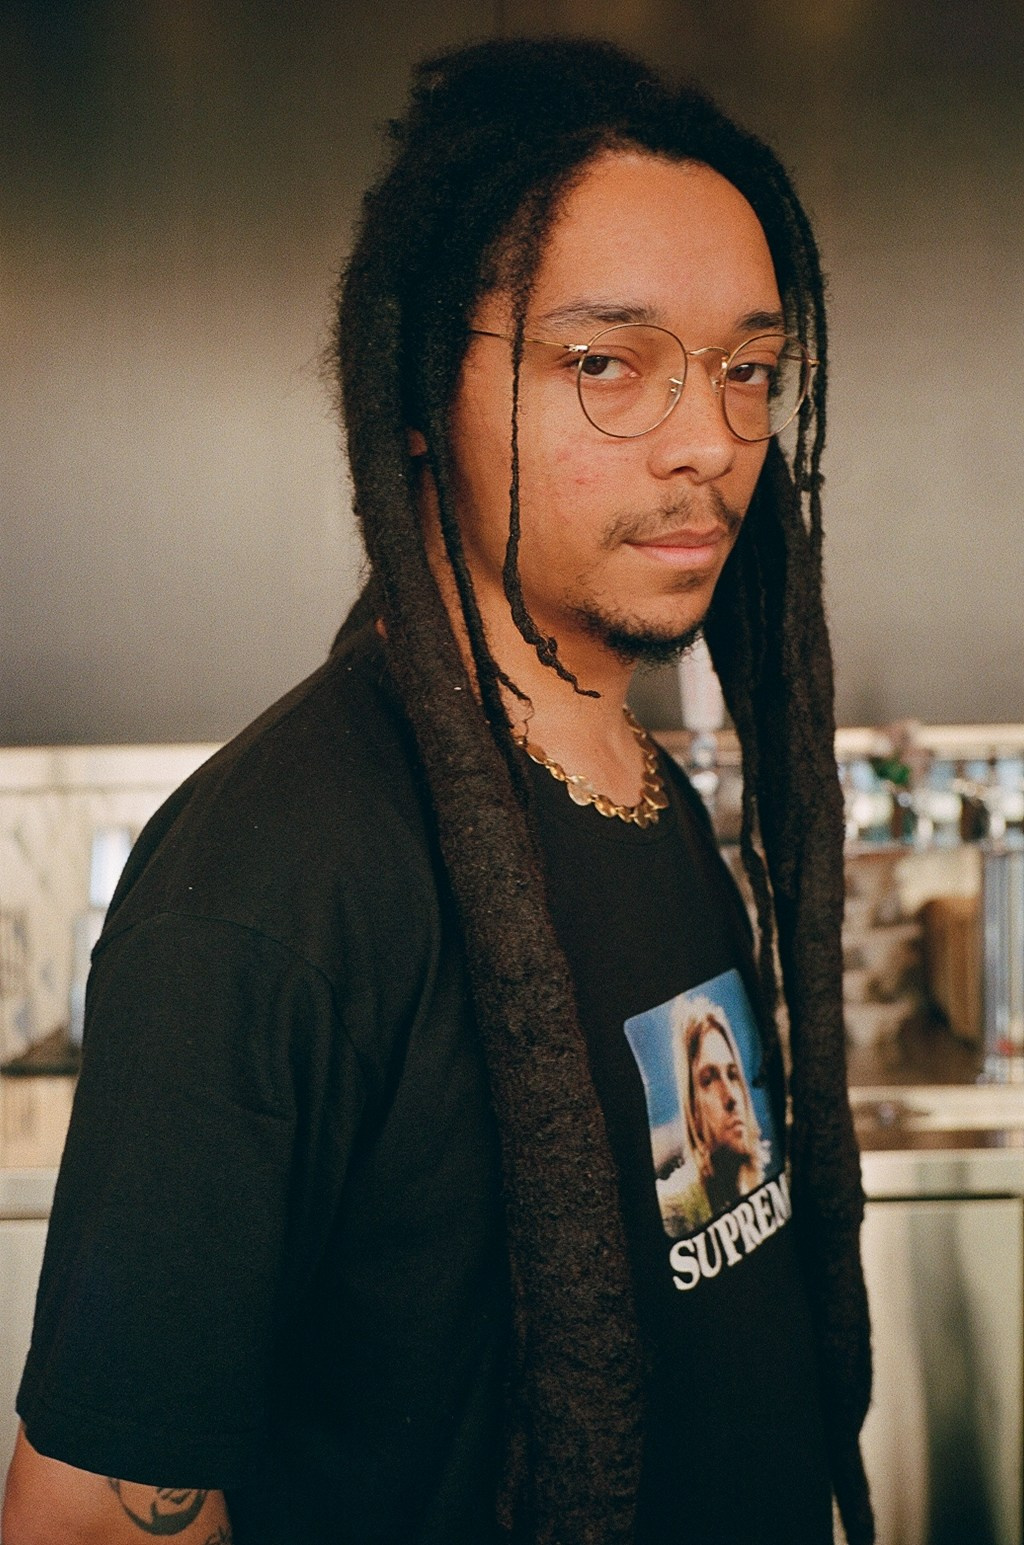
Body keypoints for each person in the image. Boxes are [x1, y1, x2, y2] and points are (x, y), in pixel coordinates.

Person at [2, 36, 874, 1545]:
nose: (711, 442)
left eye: (749, 370)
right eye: (605, 364)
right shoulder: (273, 881)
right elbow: (87, 1519)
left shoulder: (655, 795)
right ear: (420, 389)